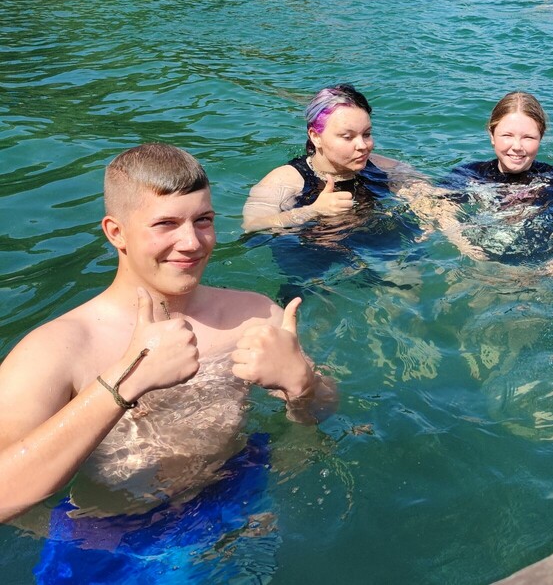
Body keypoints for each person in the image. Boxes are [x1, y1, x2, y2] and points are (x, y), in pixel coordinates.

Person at [0, 143, 334, 528]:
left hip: (240, 493)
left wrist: (302, 384)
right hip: (121, 532)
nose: (192, 242)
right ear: (116, 233)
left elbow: (324, 411)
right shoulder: (56, 349)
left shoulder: (254, 314)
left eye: (203, 220)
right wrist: (125, 382)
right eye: (166, 224)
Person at [416, 92, 553, 280]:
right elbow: (437, 207)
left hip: (546, 269)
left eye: (528, 137)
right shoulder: (469, 175)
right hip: (483, 267)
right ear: (492, 135)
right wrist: (465, 246)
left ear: (541, 138)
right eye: (507, 135)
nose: (517, 146)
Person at [242, 86, 418, 233]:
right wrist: (312, 211)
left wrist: (425, 204)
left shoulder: (381, 166)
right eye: (348, 137)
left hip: (375, 240)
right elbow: (252, 225)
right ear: (315, 137)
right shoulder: (285, 180)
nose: (362, 145)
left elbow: (421, 185)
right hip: (313, 251)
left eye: (366, 134)